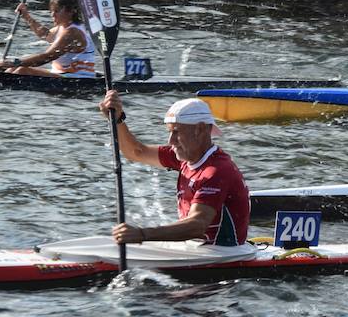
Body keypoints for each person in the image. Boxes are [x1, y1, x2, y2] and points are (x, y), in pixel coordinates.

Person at [100, 93, 250, 248]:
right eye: (170, 132)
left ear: (200, 129)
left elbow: (197, 225)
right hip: (197, 248)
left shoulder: (216, 171)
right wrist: (117, 120)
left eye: (177, 132)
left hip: (223, 253)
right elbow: (137, 152)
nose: (170, 140)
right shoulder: (185, 157)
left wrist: (142, 234)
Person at [0, 0, 95, 78]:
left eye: (57, 11)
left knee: (21, 71)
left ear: (71, 11)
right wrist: (26, 16)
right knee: (12, 70)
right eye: (52, 11)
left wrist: (14, 62)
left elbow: (46, 57)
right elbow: (45, 34)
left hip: (77, 77)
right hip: (62, 74)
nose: (52, 14)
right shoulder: (62, 27)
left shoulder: (72, 32)